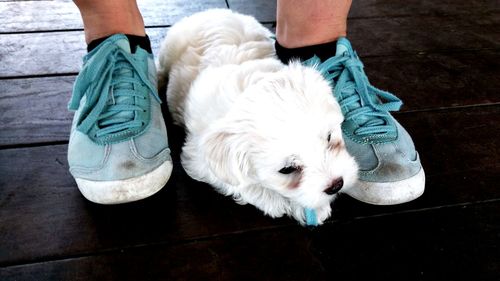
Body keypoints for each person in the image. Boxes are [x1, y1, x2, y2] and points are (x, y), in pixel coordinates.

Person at [67, 0, 424, 205]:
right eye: (289, 169)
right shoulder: (220, 147)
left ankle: (317, 51)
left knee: (303, 50)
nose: (333, 179)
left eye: (332, 139)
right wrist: (273, 200)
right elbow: (202, 163)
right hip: (193, 41)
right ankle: (118, 42)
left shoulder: (303, 94)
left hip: (241, 40)